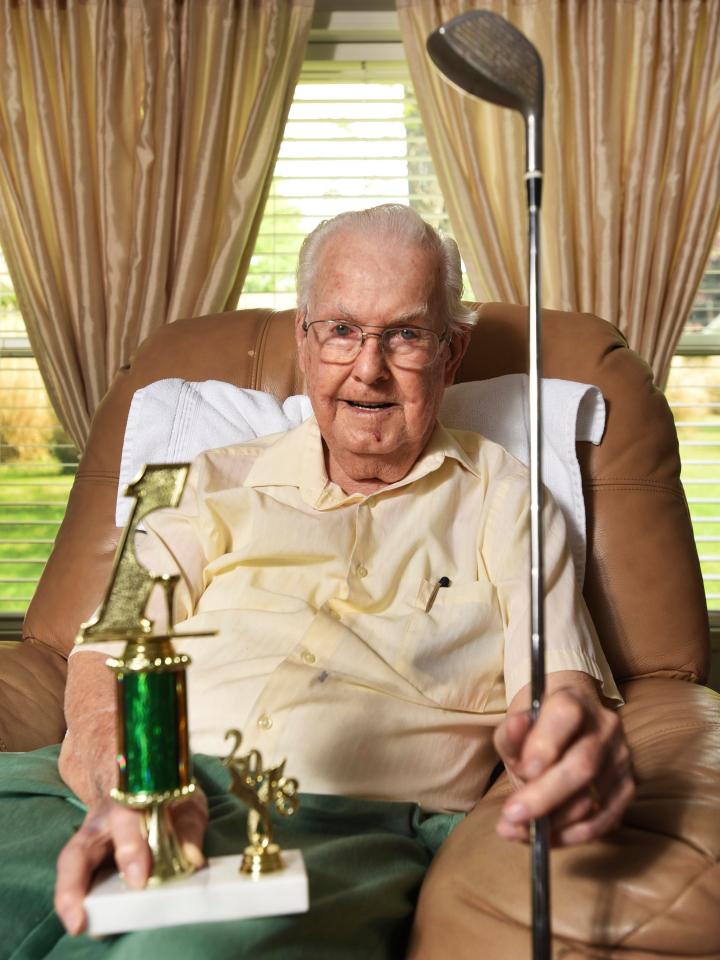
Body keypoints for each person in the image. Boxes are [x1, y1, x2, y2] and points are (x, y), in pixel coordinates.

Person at [52, 204, 634, 949]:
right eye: (341, 330)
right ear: (304, 339)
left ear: (451, 354)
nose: (369, 368)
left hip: (336, 828)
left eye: (405, 335)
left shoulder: (511, 502)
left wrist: (573, 737)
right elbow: (106, 651)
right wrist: (131, 789)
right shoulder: (190, 480)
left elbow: (556, 690)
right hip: (131, 787)